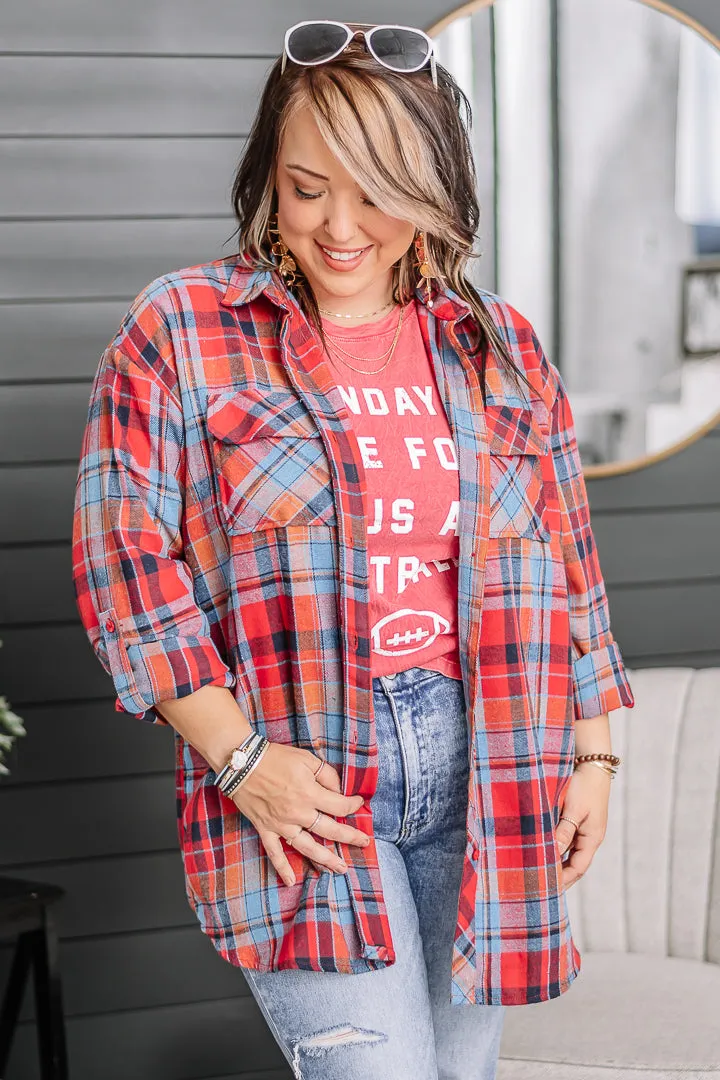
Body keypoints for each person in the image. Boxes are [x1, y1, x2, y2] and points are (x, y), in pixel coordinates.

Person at [71, 19, 636, 1080]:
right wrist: (241, 761)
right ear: (266, 182)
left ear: (431, 189)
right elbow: (125, 575)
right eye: (306, 186)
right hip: (311, 775)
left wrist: (596, 750)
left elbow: (566, 555)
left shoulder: (498, 349)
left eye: (375, 191)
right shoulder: (183, 332)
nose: (339, 226)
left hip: (491, 767)